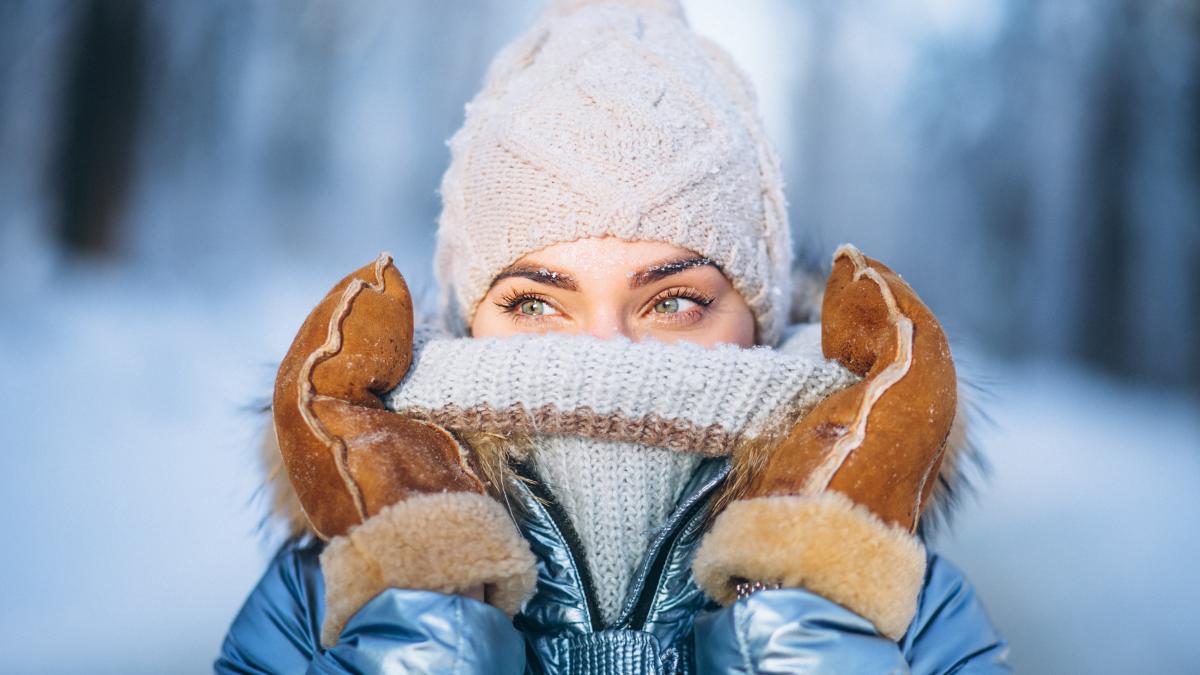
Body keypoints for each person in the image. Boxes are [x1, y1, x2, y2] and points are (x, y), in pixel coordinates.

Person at [216, 1, 1010, 672]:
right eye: (534, 303)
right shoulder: (322, 598)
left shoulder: (902, 606)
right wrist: (418, 615)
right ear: (466, 319)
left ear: (761, 320)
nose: (602, 357)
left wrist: (813, 607)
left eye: (673, 303)